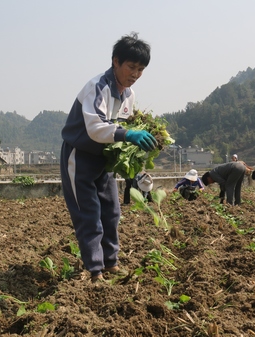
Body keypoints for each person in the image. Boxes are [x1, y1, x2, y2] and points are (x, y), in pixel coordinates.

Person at [60, 33, 156, 283]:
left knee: (112, 212)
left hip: (104, 159)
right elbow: (95, 128)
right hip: (79, 157)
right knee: (88, 214)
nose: (135, 74)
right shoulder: (98, 87)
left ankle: (111, 263)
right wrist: (128, 134)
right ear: (116, 62)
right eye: (131, 67)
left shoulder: (129, 95)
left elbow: (126, 125)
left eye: (141, 69)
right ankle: (94, 271)